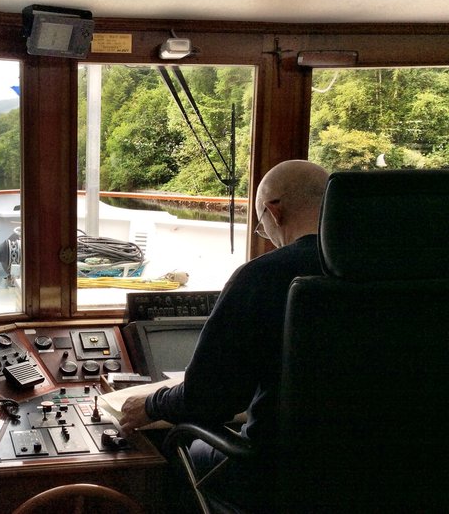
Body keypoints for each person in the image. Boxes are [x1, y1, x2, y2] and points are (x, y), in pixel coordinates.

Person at [119, 159, 330, 509]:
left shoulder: (263, 276)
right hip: (390, 472)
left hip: (277, 473)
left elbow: (209, 399)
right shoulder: (395, 275)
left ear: (274, 212)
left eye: (261, 226)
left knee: (183, 448)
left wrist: (152, 404)